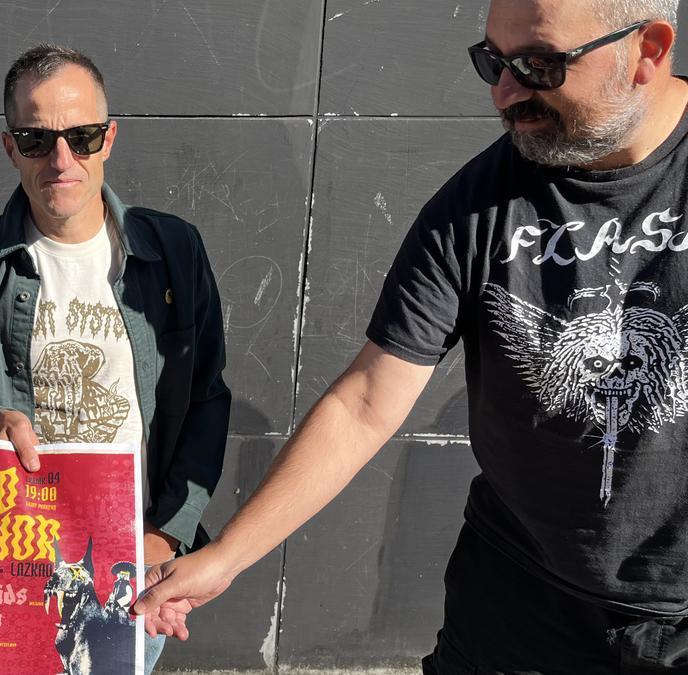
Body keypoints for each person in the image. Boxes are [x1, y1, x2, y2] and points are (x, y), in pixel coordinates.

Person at [135, 0, 688, 671]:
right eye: (492, 61)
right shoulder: (481, 203)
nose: (505, 92)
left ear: (649, 51)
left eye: (539, 65)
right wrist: (224, 558)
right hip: (517, 614)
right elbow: (367, 402)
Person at [0, 43, 231, 669]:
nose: (61, 159)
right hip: (10, 557)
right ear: (10, 147)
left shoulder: (174, 251)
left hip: (132, 558)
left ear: (109, 139)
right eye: (36, 140)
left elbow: (205, 401)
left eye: (81, 137)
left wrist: (165, 537)